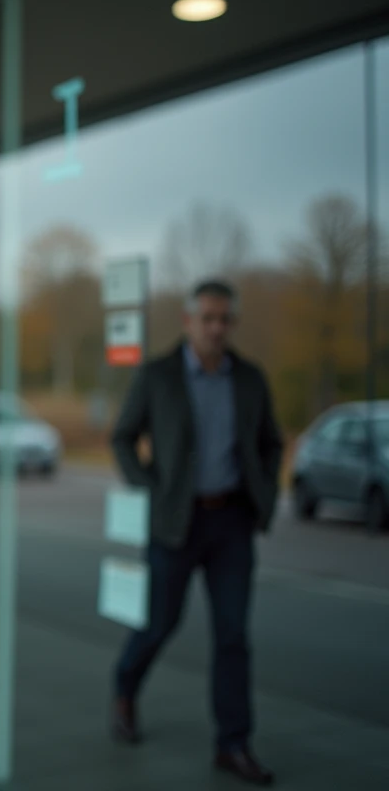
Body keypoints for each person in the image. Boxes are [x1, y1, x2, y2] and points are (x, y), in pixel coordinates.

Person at [110, 279, 282, 786]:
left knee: (233, 636)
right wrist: (152, 489)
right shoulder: (158, 375)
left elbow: (272, 442)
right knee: (159, 623)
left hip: (231, 521)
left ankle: (233, 744)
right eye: (207, 318)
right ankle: (124, 690)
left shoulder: (249, 378)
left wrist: (262, 491)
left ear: (232, 323)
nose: (216, 328)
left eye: (224, 319)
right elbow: (122, 438)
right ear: (188, 321)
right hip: (175, 523)